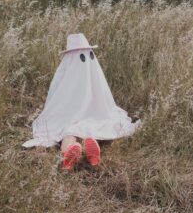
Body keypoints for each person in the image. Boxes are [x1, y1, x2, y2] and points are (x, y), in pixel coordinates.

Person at [23, 33, 140, 170]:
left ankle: (70, 148)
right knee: (92, 128)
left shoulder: (66, 72)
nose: (87, 60)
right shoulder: (94, 71)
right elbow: (104, 100)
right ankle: (88, 144)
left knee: (67, 132)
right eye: (83, 57)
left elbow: (55, 99)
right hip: (95, 116)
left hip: (67, 118)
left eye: (89, 55)